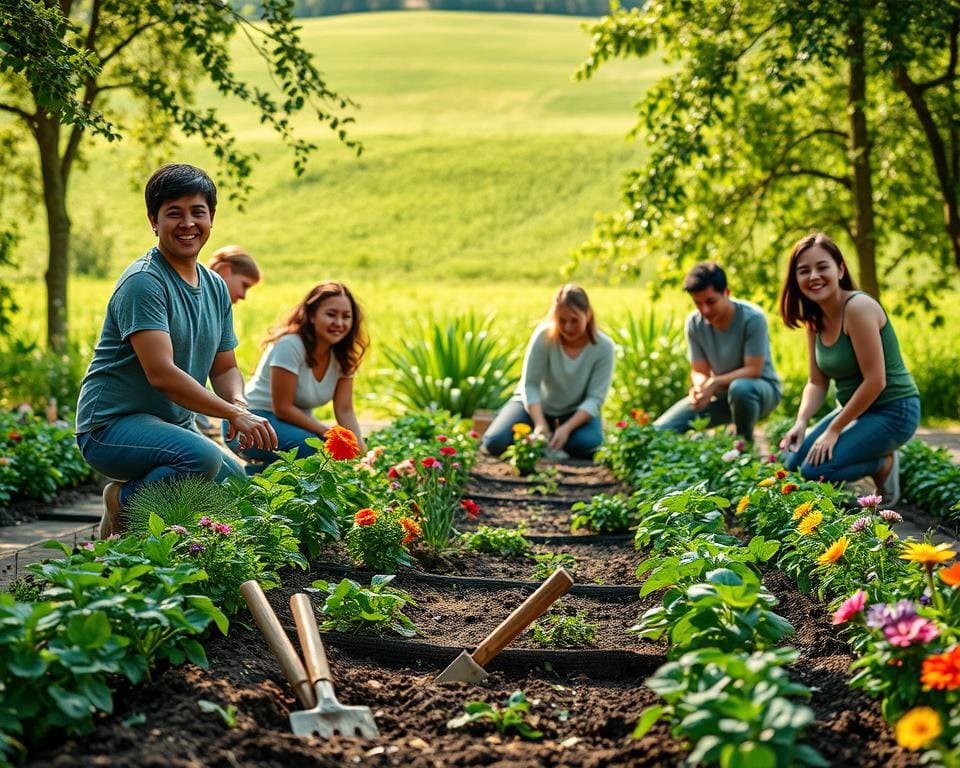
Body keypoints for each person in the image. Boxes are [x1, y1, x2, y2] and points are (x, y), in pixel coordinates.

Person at [75, 164, 278, 538]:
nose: (188, 223)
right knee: (200, 459)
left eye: (197, 211)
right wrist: (232, 413)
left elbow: (225, 368)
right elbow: (162, 374)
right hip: (110, 426)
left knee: (239, 488)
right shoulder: (144, 282)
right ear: (153, 221)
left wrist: (239, 405)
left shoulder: (215, 286)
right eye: (174, 213)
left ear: (211, 217)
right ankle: (121, 500)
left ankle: (123, 544)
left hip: (172, 426)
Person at [778, 232, 919, 504]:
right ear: (795, 279)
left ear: (840, 270)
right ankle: (868, 450)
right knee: (792, 465)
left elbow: (875, 381)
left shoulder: (858, 308)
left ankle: (883, 464)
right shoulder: (815, 320)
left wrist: (834, 430)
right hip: (856, 411)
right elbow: (816, 382)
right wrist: (801, 421)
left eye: (822, 267)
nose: (813, 276)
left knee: (814, 471)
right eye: (804, 271)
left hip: (894, 410)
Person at [224, 281, 368, 470]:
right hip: (249, 421)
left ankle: (257, 474)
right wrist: (326, 432)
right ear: (312, 315)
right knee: (314, 449)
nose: (339, 323)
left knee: (333, 455)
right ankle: (252, 476)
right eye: (331, 314)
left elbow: (345, 409)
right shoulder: (290, 345)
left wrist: (359, 450)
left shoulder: (342, 357)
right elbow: (282, 408)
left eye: (346, 317)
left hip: (290, 424)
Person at [482, 284, 615, 460]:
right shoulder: (543, 337)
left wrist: (566, 429)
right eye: (561, 320)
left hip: (575, 411)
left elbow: (595, 399)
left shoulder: (604, 347)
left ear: (588, 315)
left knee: (587, 445)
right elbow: (530, 385)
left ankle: (553, 439)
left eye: (574, 320)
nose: (568, 327)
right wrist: (540, 424)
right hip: (534, 406)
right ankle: (542, 436)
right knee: (495, 442)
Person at [654, 262, 781, 440]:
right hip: (721, 396)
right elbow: (699, 370)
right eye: (698, 303)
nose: (705, 310)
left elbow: (753, 370)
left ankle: (744, 443)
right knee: (659, 429)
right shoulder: (694, 323)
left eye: (710, 302)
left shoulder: (752, 319)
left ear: (726, 293)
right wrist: (700, 388)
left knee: (740, 389)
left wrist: (714, 382)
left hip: (759, 394)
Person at [195, 245, 261, 434]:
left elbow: (224, 368)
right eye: (244, 285)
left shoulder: (217, 308)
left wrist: (237, 404)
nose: (243, 296)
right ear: (225, 270)